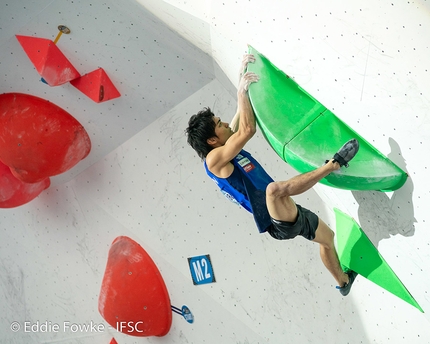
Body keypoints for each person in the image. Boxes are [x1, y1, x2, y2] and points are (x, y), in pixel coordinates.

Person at [185, 54, 358, 296]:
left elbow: (239, 117)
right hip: (276, 222)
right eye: (219, 124)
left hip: (286, 210)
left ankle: (343, 282)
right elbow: (247, 128)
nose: (225, 123)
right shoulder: (214, 160)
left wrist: (242, 78)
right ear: (212, 140)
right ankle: (334, 164)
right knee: (274, 190)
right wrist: (241, 93)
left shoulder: (223, 147)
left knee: (327, 240)